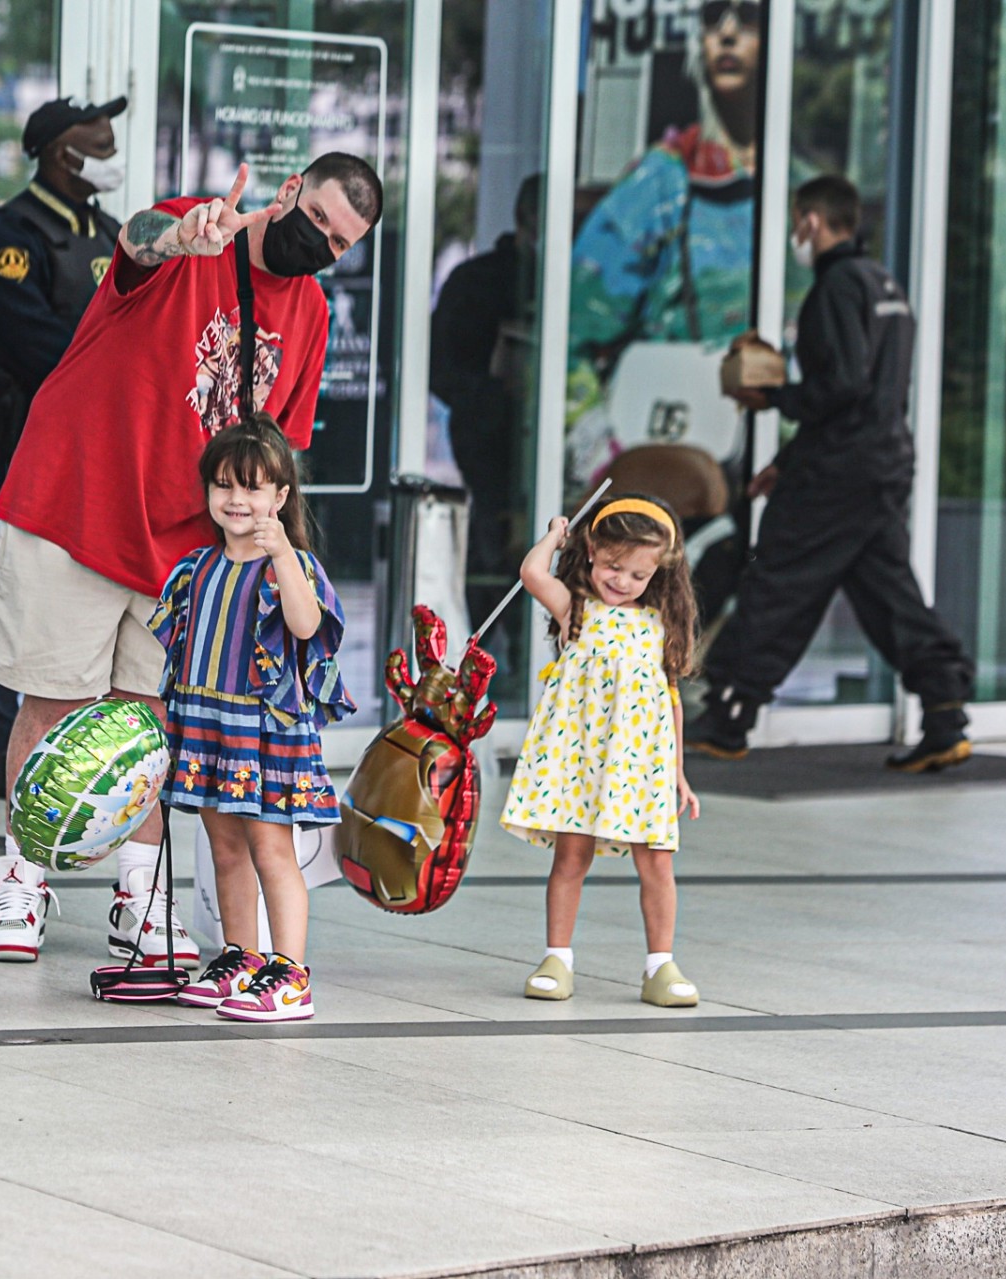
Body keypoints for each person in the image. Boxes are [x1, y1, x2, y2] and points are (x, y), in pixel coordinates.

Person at [0, 153, 383, 965]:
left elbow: (279, 449)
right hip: (80, 502)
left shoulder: (311, 312)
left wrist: (272, 556)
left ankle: (141, 889)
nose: (322, 244)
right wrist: (181, 235)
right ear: (290, 190)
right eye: (320, 219)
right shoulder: (196, 229)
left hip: (190, 547)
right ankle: (19, 876)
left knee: (151, 721)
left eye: (340, 242)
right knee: (53, 698)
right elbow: (137, 242)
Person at [700, 174, 974, 772]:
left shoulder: (835, 289)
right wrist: (785, 461)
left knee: (777, 580)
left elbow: (841, 388)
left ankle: (727, 715)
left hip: (841, 472)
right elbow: (868, 397)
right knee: (887, 593)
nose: (797, 232)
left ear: (813, 222)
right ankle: (945, 709)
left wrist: (773, 397)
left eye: (799, 220)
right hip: (879, 465)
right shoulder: (884, 285)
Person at [148, 420, 353, 1021]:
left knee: (271, 850)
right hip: (211, 729)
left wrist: (284, 552)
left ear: (281, 497)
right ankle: (240, 957)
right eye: (223, 487)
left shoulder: (292, 566)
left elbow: (308, 625)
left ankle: (289, 974)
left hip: (265, 733)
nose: (237, 501)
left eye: (254, 488)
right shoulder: (196, 568)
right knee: (225, 850)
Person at [0, 96, 127, 797]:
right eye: (103, 146)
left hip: (106, 444)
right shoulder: (11, 234)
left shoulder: (113, 233)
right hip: (34, 436)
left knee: (85, 588)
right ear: (65, 154)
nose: (112, 158)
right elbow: (35, 346)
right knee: (24, 582)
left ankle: (72, 739)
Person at [501, 495, 703, 1008]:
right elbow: (530, 571)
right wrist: (554, 535)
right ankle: (557, 958)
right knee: (572, 857)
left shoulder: (659, 624)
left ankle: (661, 964)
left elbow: (670, 701)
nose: (622, 581)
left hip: (642, 763)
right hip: (580, 757)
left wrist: (678, 773)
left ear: (657, 572)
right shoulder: (577, 608)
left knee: (657, 861)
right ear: (591, 549)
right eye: (613, 566)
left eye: (637, 574)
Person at [565, 0, 763, 489]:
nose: (729, 33)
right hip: (664, 464)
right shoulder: (656, 190)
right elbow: (571, 333)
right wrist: (603, 456)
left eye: (750, 17)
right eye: (714, 16)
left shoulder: (797, 191)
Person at [430, 173, 542, 647]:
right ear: (529, 220)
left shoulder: (578, 283)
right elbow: (440, 369)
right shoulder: (478, 282)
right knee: (497, 539)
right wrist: (497, 395)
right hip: (491, 434)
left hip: (524, 431)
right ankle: (487, 649)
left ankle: (506, 647)